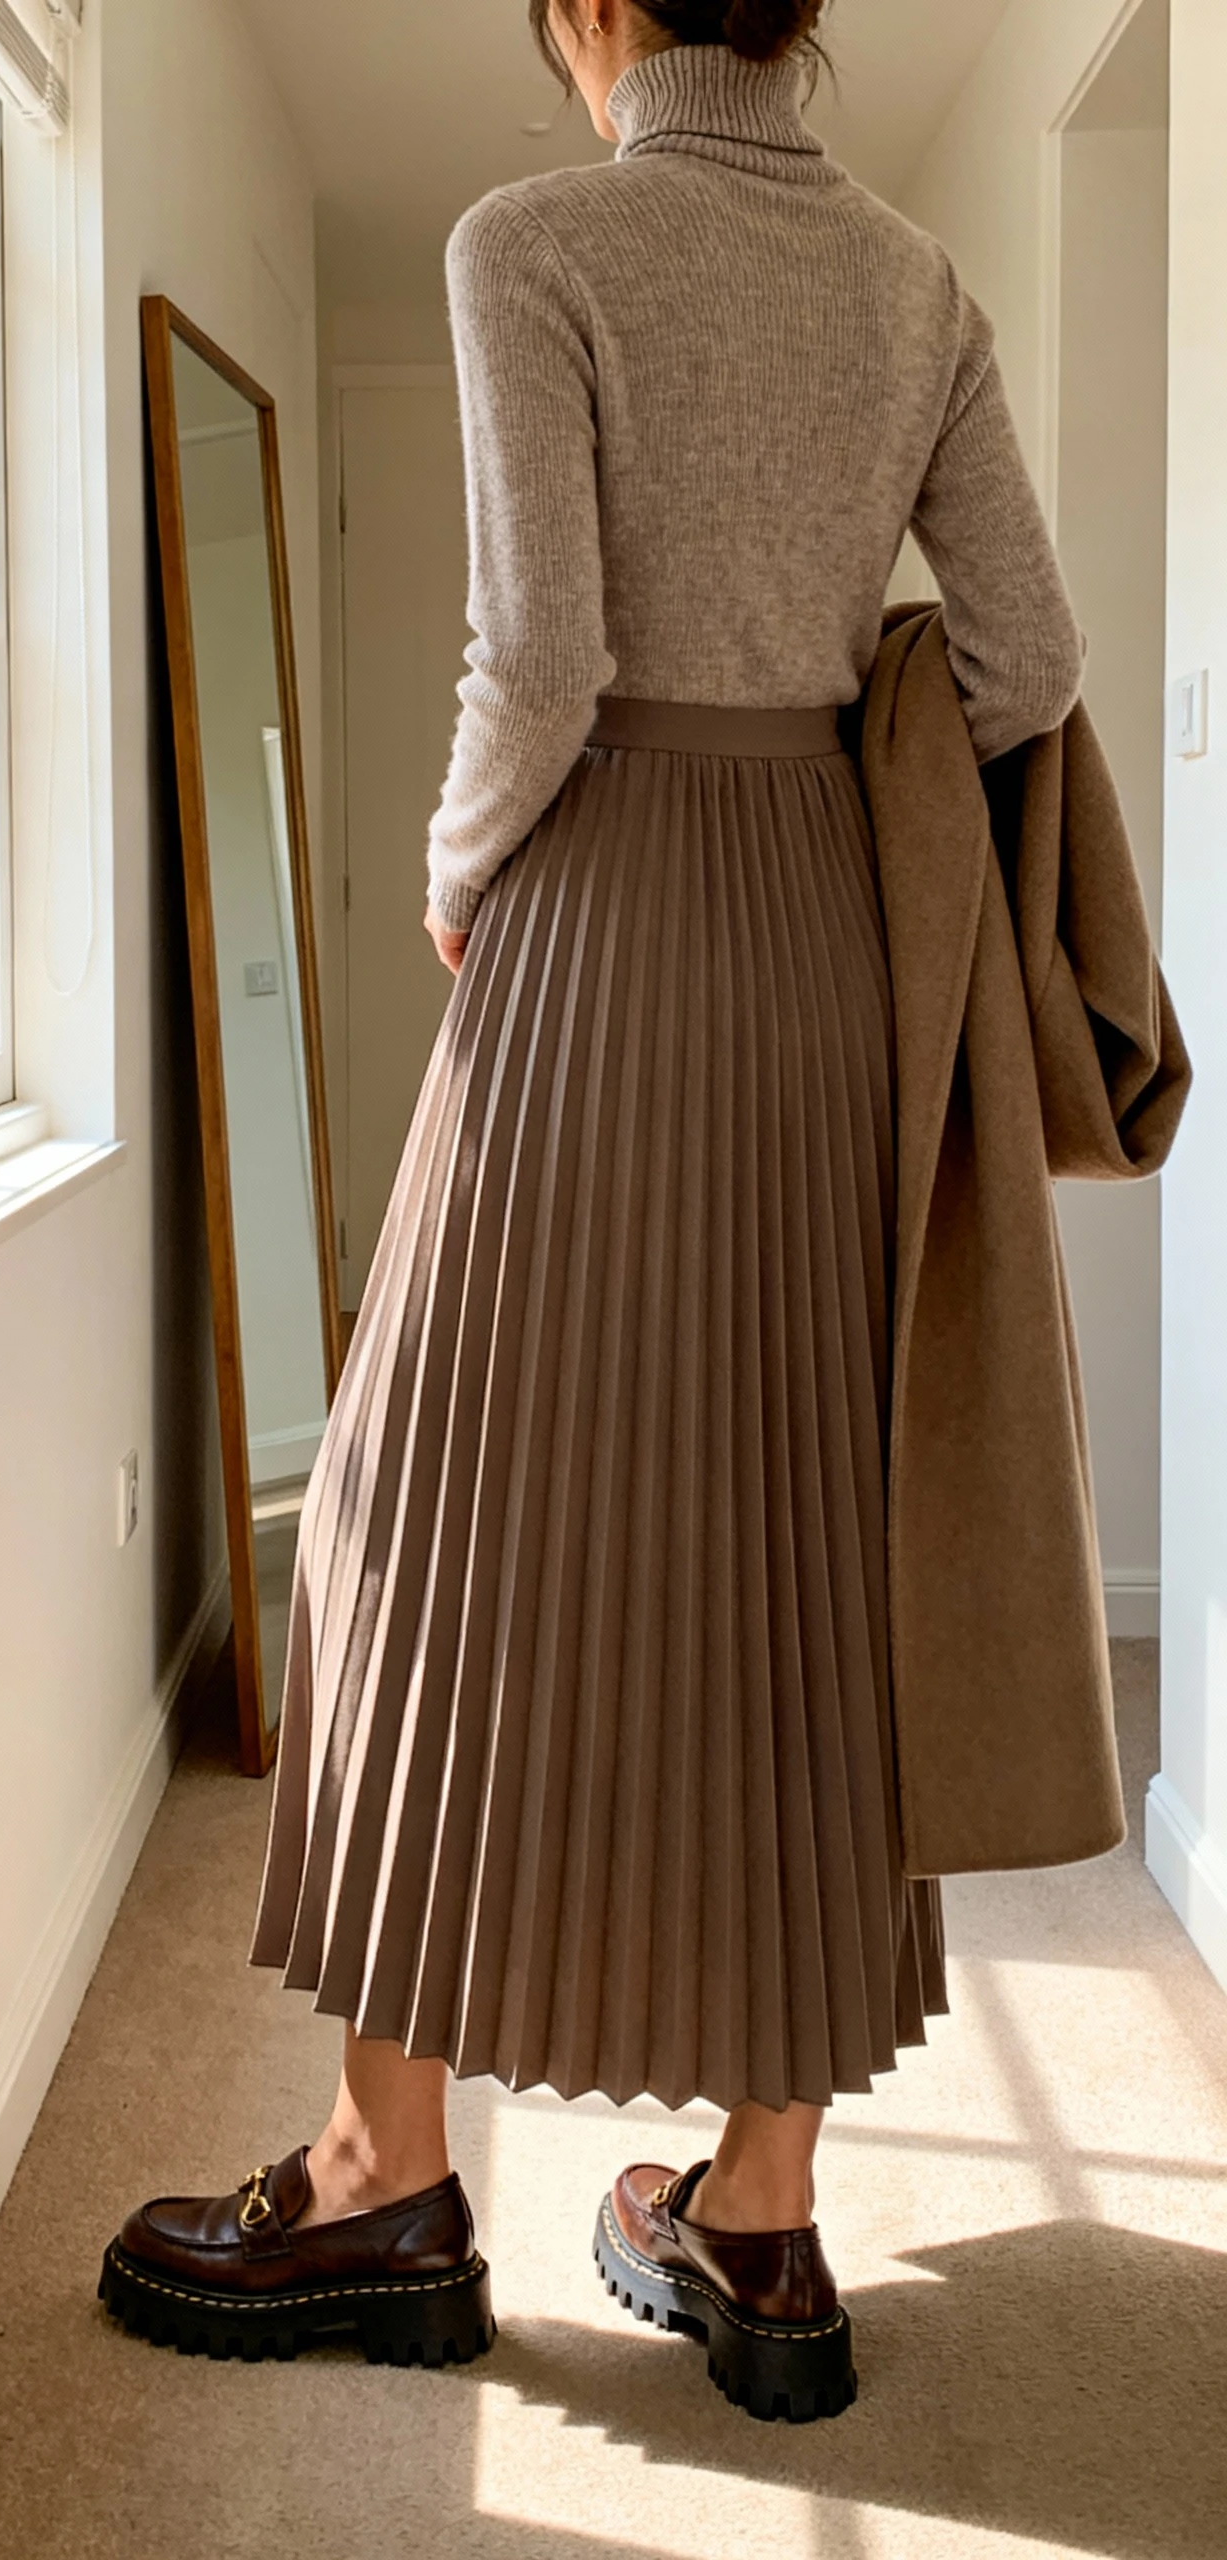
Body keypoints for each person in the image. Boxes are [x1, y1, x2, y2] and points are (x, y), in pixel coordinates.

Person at [101, 0, 1085, 2420]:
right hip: (829, 970)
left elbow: (535, 656)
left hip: (593, 938)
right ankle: (761, 2223)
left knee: (409, 1526)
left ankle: (383, 2175)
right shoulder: (918, 282)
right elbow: (1030, 655)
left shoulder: (531, 238)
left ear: (587, 13)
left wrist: (454, 875)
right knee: (803, 1548)